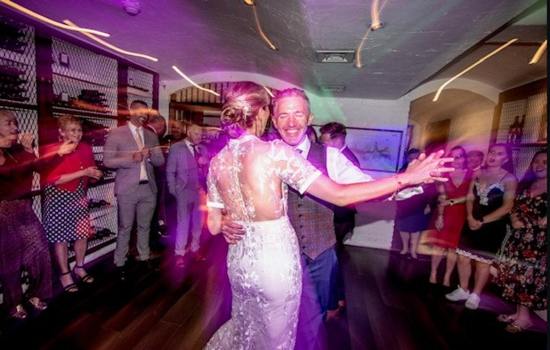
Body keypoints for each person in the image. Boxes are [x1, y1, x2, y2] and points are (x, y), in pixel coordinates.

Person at [204, 82, 452, 349]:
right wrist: (233, 219)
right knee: (269, 329)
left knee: (305, 325)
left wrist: (408, 183)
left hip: (313, 255)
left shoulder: (329, 157)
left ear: (309, 118)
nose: (290, 122)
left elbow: (363, 190)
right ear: (270, 118)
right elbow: (230, 210)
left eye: (298, 114)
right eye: (283, 115)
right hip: (274, 262)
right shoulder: (271, 153)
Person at [0, 109, 76, 319]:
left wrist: (59, 153)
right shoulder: (12, 152)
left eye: (15, 123)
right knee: (10, 262)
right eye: (9, 123)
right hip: (3, 210)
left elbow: (40, 168)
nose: (15, 127)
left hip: (24, 208)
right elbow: (9, 174)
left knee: (40, 251)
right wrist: (26, 151)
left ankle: (35, 294)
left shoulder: (16, 150)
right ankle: (13, 304)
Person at [446, 143, 517, 310]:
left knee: (482, 262)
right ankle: (463, 290)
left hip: (492, 225)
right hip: (472, 220)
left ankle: (475, 295)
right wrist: (470, 217)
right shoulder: (478, 173)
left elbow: (507, 207)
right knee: (463, 258)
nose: (493, 156)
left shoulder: (509, 179)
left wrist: (482, 221)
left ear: (506, 158)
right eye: (491, 152)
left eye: (499, 154)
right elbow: (470, 197)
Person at [103, 100, 165, 280]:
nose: (144, 115)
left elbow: (160, 162)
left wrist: (152, 154)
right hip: (127, 189)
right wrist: (133, 158)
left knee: (145, 226)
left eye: (146, 112)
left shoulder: (151, 135)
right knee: (125, 227)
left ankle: (144, 258)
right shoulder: (116, 133)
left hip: (149, 189)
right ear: (131, 111)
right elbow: (107, 161)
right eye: (140, 111)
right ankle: (119, 262)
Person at [41, 116, 102, 293]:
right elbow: (54, 179)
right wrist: (84, 172)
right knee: (61, 238)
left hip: (79, 195)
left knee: (82, 233)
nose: (77, 134)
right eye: (72, 130)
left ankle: (79, 267)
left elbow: (91, 169)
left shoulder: (85, 147)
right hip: (58, 196)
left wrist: (94, 174)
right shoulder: (54, 150)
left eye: (79, 130)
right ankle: (64, 273)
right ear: (61, 132)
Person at [495, 150, 546, 333]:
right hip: (518, 240)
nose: (539, 165)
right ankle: (519, 314)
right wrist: (514, 218)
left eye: (545, 162)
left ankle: (525, 319)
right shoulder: (527, 183)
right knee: (515, 278)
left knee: (527, 280)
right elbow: (513, 206)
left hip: (538, 244)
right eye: (536, 161)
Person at [423, 146, 472, 287]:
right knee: (439, 247)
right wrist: (440, 216)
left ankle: (447, 277)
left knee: (453, 249)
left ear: (464, 158)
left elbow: (471, 196)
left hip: (462, 214)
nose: (457, 160)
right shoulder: (443, 176)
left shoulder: (472, 174)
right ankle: (433, 273)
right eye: (454, 156)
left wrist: (454, 201)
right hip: (446, 213)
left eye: (460, 156)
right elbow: (441, 197)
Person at [166, 122, 204, 268]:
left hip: (199, 191)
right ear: (188, 133)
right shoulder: (177, 147)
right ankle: (179, 253)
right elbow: (170, 170)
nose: (199, 137)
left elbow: (207, 172)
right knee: (183, 221)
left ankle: (195, 248)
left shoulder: (202, 149)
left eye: (201, 134)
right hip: (183, 190)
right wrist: (173, 189)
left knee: (198, 222)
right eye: (196, 134)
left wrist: (205, 164)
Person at [395, 148, 434, 259]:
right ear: (407, 158)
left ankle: (413, 251)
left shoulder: (426, 171)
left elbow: (431, 190)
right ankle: (405, 248)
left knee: (416, 228)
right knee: (403, 227)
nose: (413, 160)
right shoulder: (402, 170)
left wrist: (428, 205)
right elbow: (397, 187)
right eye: (410, 158)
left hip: (419, 204)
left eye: (415, 158)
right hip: (404, 204)